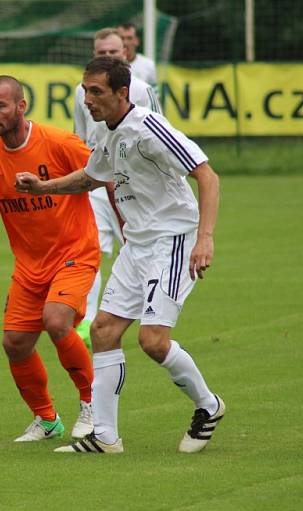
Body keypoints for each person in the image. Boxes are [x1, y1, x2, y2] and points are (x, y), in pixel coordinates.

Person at [16, 56, 225, 454]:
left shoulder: (148, 126)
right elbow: (92, 176)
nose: (87, 99)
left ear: (121, 93)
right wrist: (43, 188)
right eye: (85, 90)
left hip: (174, 240)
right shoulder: (106, 133)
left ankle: (208, 406)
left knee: (152, 340)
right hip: (138, 244)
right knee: (104, 331)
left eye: (96, 91)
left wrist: (205, 238)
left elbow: (206, 175)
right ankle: (105, 438)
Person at [0, 76, 100, 441]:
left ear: (21, 106)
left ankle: (92, 405)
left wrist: (128, 221)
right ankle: (47, 420)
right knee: (15, 343)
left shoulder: (59, 142)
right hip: (30, 264)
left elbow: (104, 176)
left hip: (75, 252)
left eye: (0, 106)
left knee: (56, 320)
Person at [72, 27, 161, 347]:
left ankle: (151, 310)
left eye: (113, 52)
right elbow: (80, 137)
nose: (107, 57)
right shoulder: (80, 91)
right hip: (96, 181)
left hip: (134, 184)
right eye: (101, 53)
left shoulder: (141, 89)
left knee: (137, 247)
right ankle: (86, 320)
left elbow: (158, 134)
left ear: (124, 53)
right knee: (90, 246)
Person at [117, 22, 157, 86]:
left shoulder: (148, 65)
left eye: (129, 38)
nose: (125, 43)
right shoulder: (110, 65)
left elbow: (154, 93)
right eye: (122, 38)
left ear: (137, 41)